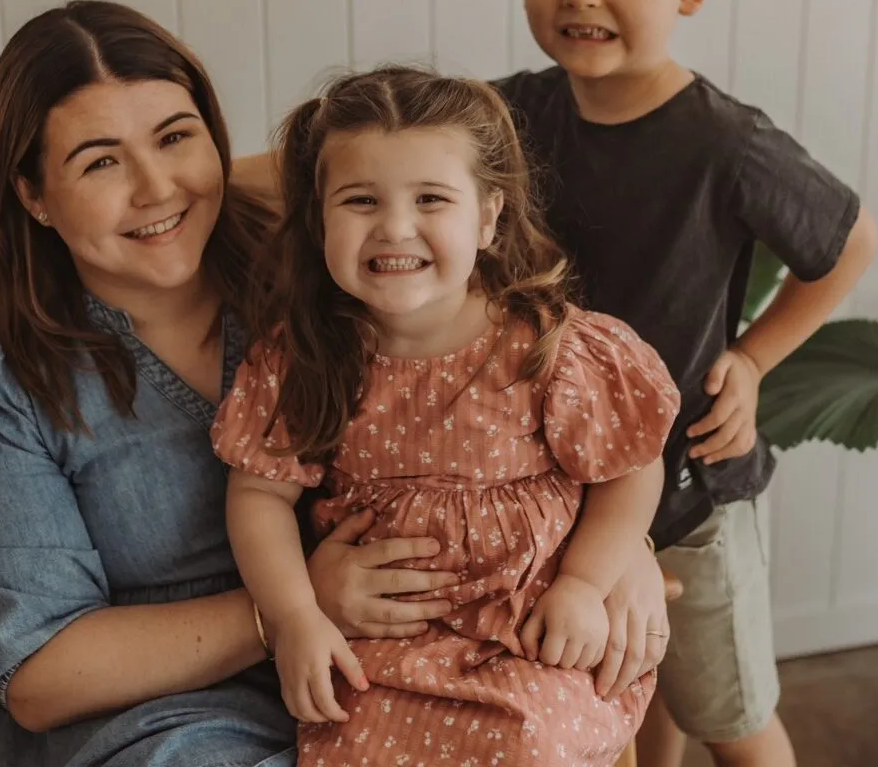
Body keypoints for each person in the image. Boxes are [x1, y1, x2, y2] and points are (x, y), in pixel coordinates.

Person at [0, 1, 459, 767]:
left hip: (388, 675)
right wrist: (290, 607)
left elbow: (504, 378)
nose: (156, 189)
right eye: (101, 161)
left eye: (176, 138)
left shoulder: (321, 272)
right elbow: (39, 676)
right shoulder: (4, 374)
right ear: (33, 194)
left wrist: (616, 548)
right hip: (159, 724)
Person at [496, 0, 878, 767]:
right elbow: (372, 140)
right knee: (618, 698)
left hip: (688, 496)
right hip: (570, 496)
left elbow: (850, 242)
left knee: (728, 717)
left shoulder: (727, 145)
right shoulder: (511, 116)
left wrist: (751, 357)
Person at [213, 67, 680, 766]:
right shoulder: (306, 359)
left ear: (489, 216)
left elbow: (631, 469)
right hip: (383, 644)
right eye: (361, 200)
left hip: (533, 635)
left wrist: (586, 582)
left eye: (431, 198)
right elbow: (258, 495)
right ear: (319, 220)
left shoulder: (548, 349)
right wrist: (295, 618)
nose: (395, 228)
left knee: (528, 746)